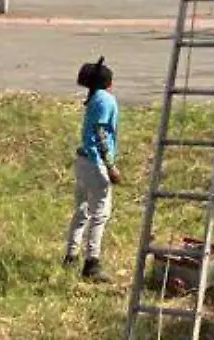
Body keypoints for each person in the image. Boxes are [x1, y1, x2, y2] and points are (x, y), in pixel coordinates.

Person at [64, 58, 121, 281]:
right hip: (96, 163)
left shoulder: (93, 98)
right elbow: (100, 134)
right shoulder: (106, 100)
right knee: (100, 214)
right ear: (108, 83)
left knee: (81, 210)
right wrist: (111, 165)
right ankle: (92, 263)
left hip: (82, 162)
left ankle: (71, 256)